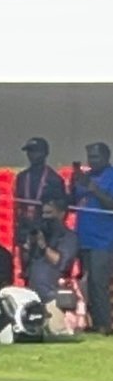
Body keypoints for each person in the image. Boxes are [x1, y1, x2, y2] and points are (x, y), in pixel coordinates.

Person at [73, 142, 113, 334]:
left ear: (106, 157)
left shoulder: (111, 177)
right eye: (90, 157)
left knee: (99, 282)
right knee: (86, 283)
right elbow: (73, 201)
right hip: (84, 238)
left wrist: (95, 189)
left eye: (96, 157)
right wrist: (75, 184)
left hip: (104, 240)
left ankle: (104, 324)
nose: (92, 161)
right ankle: (93, 322)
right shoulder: (86, 177)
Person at [18, 192, 78, 304]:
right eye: (43, 213)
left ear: (61, 214)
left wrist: (43, 246)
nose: (45, 218)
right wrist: (27, 246)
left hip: (53, 297)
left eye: (49, 213)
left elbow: (60, 263)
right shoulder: (41, 232)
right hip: (33, 296)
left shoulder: (69, 237)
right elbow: (26, 263)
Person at [15, 138, 67, 246]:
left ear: (45, 153)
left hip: (46, 231)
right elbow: (18, 204)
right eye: (29, 151)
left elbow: (62, 210)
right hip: (25, 229)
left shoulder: (54, 179)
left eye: (35, 151)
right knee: (26, 262)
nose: (31, 155)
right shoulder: (22, 177)